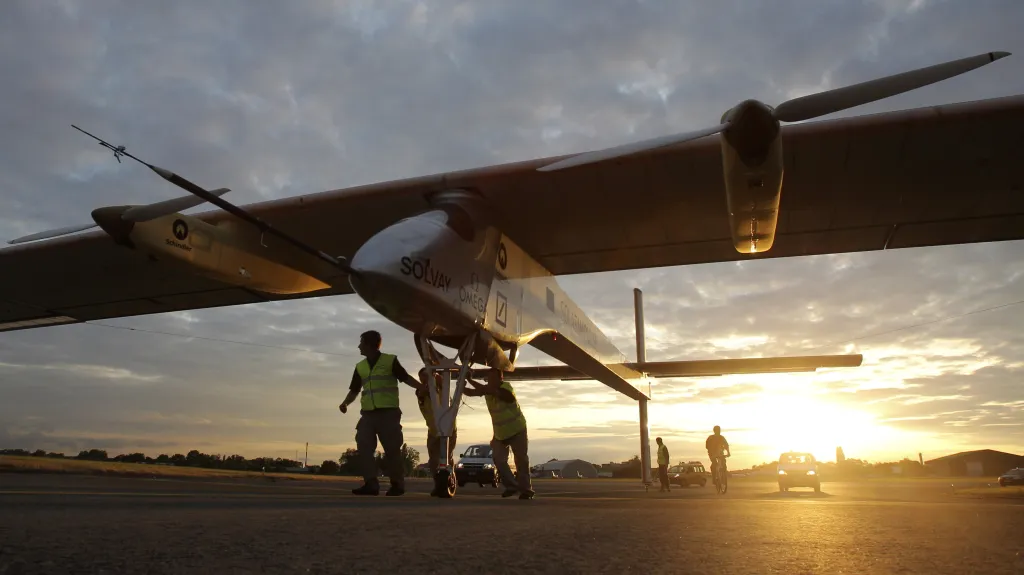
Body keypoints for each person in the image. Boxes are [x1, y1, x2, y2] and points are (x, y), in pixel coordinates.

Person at [338, 330, 424, 496]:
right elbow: (355, 390)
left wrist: (422, 388)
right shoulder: (360, 366)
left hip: (388, 414)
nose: (358, 346)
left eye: (361, 343)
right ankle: (371, 484)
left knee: (392, 450)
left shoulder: (390, 361)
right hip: (368, 415)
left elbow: (405, 378)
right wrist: (345, 403)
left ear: (369, 344)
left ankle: (397, 484)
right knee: (364, 447)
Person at [464, 368, 534, 499]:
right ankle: (512, 486)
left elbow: (494, 392)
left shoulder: (506, 388)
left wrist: (470, 380)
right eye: (489, 378)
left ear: (500, 379)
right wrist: (462, 385)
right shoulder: (487, 390)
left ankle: (526, 490)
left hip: (517, 430)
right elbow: (472, 392)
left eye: (492, 378)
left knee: (521, 460)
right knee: (499, 460)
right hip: (500, 434)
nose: (490, 381)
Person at [417, 367, 458, 496]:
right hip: (433, 431)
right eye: (422, 378)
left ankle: (450, 480)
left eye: (427, 377)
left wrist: (435, 373)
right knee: (433, 461)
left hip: (448, 429)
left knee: (447, 457)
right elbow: (421, 392)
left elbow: (442, 381)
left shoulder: (442, 389)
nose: (425, 380)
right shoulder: (421, 392)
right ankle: (438, 484)